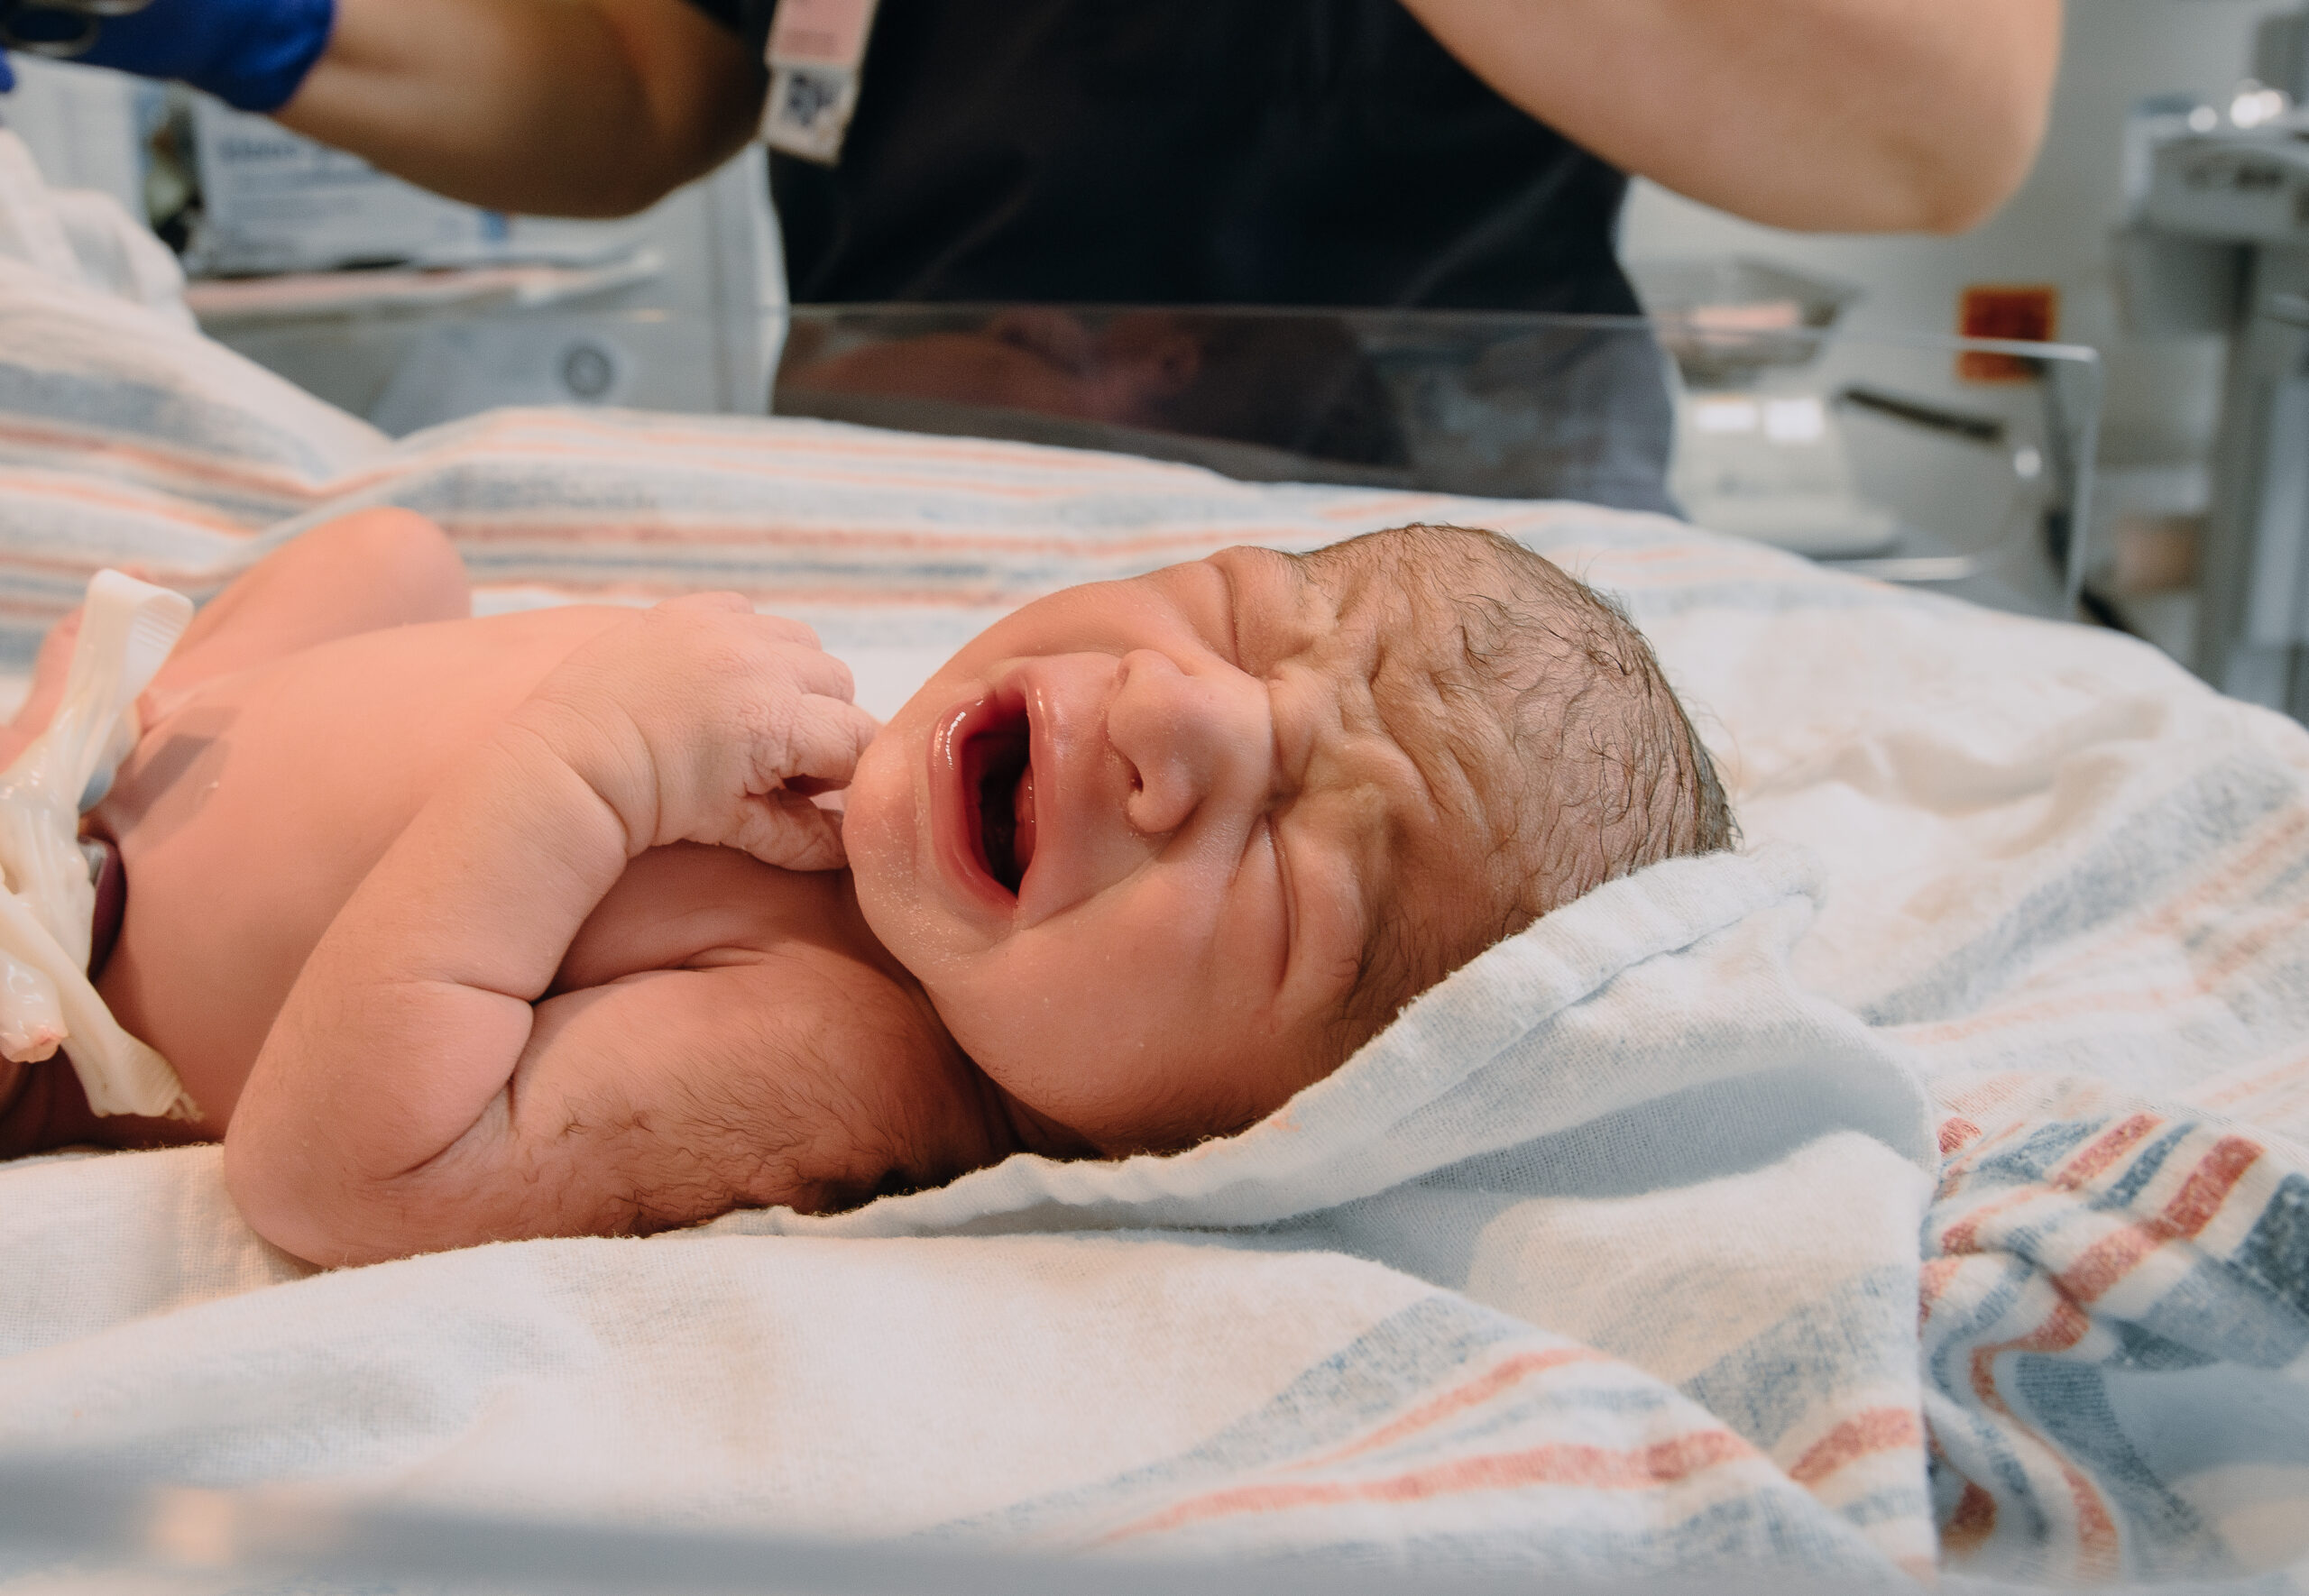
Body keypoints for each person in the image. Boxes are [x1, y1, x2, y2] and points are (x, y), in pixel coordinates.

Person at [0, 513, 1731, 1266]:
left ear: (1212, 1136)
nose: (1182, 714)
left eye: (1281, 871)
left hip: (61, 970)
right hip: (106, 770)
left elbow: (338, 1169)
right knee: (397, 557)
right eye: (1240, 614)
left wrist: (591, 769)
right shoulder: (911, 787)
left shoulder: (855, 1049)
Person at [1, 0, 2061, 508]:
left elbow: (1930, 110)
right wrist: (236, 14)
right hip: (912, 500)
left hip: (1458, 507)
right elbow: (662, 72)